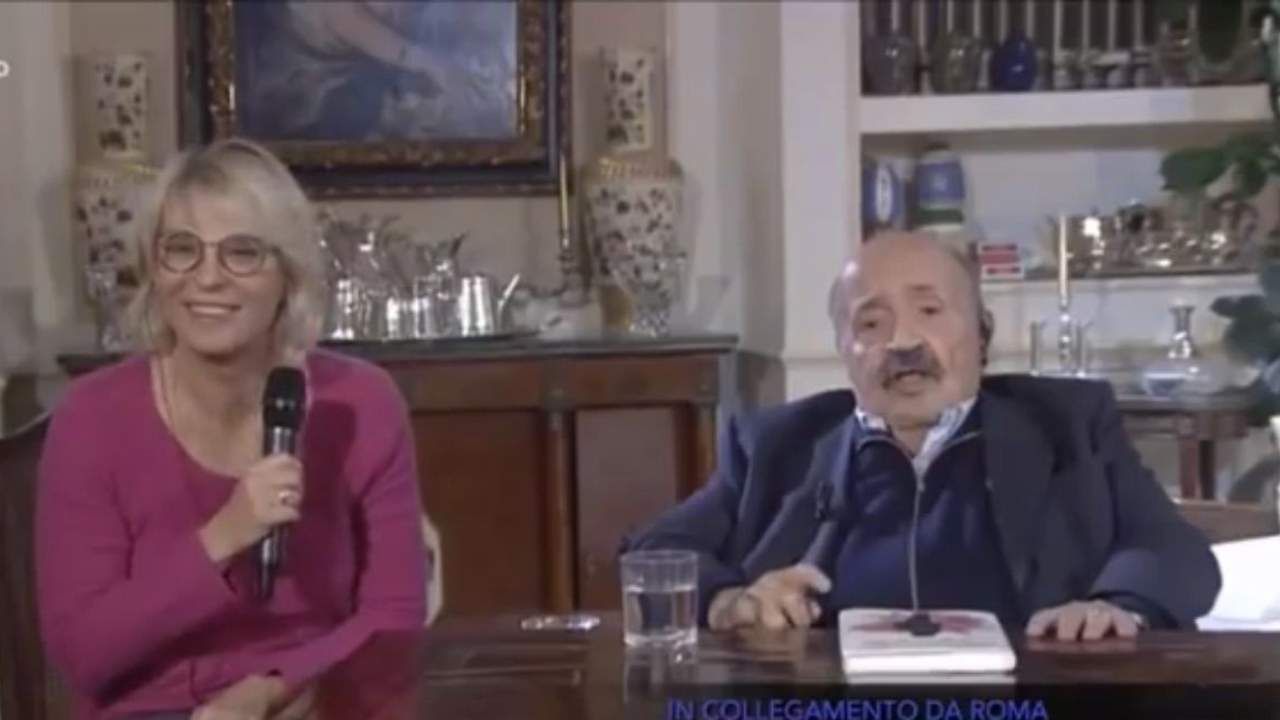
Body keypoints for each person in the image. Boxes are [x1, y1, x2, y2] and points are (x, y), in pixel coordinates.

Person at [626, 231, 1220, 640]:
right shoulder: (777, 444)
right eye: (871, 322)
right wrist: (729, 601)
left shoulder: (1068, 423)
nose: (903, 342)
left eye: (930, 311)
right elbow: (652, 553)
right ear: (844, 351)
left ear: (980, 335)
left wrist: (1116, 607)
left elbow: (1173, 551)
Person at [36, 138, 428, 719]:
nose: (208, 278)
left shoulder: (361, 404)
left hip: (313, 702)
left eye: (242, 253)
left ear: (288, 276)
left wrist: (273, 688)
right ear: (153, 269)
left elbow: (393, 620)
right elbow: (83, 653)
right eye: (181, 250)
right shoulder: (93, 417)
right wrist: (223, 536)